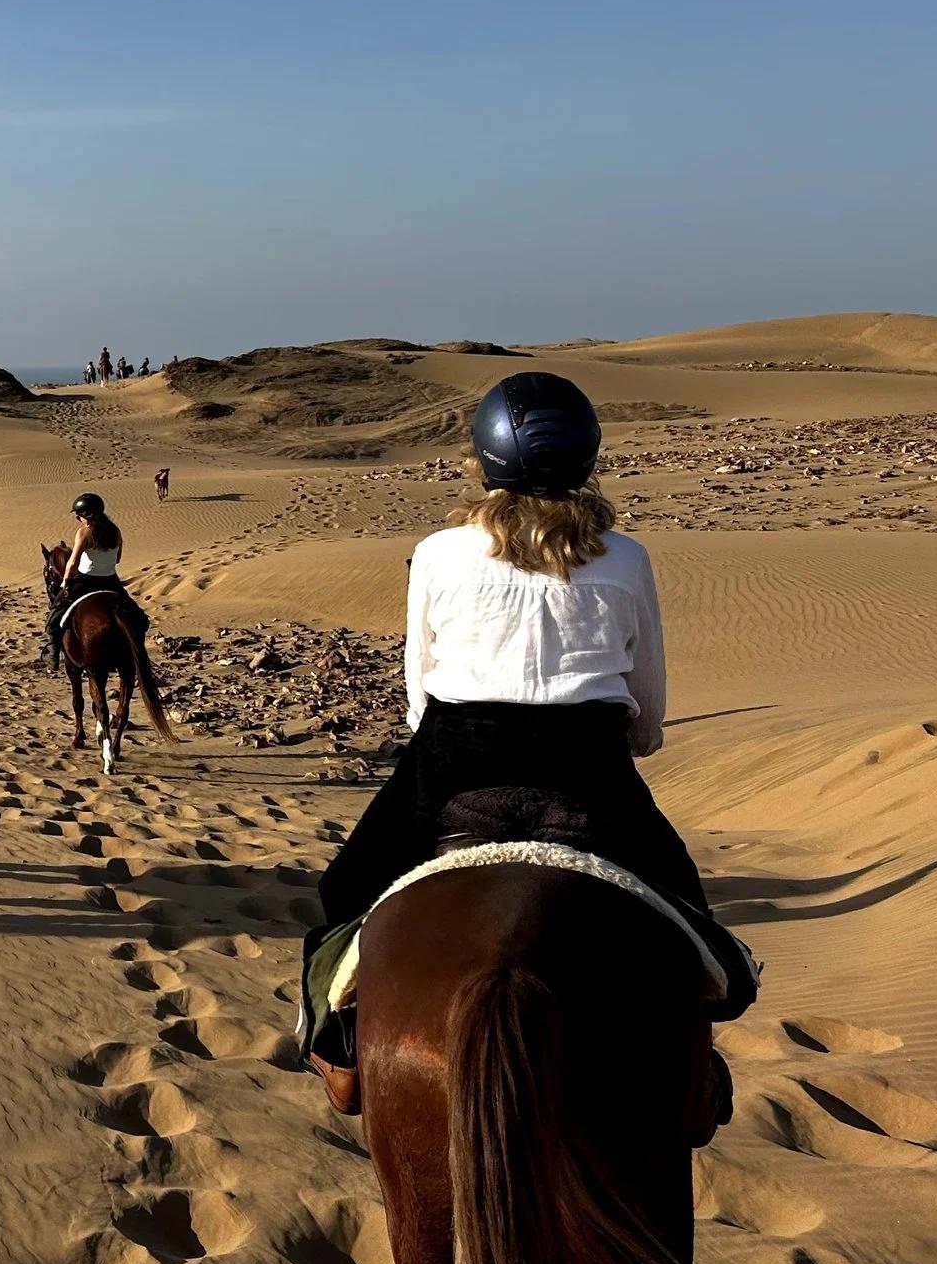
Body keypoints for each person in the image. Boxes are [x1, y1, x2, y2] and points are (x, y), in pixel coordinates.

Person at [310, 374, 752, 1027]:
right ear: (587, 458)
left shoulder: (437, 553)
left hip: (456, 755)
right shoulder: (626, 558)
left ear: (485, 457)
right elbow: (647, 691)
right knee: (687, 909)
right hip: (587, 763)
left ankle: (331, 1038)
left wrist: (429, 736)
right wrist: (640, 740)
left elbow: (419, 682)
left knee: (346, 888)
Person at [46, 490, 150, 673]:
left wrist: (66, 581)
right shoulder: (115, 531)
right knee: (139, 618)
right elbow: (117, 558)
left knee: (55, 615)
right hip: (111, 581)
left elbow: (73, 561)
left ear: (85, 516)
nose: (78, 520)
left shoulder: (84, 532)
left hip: (85, 581)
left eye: (78, 516)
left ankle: (53, 654)